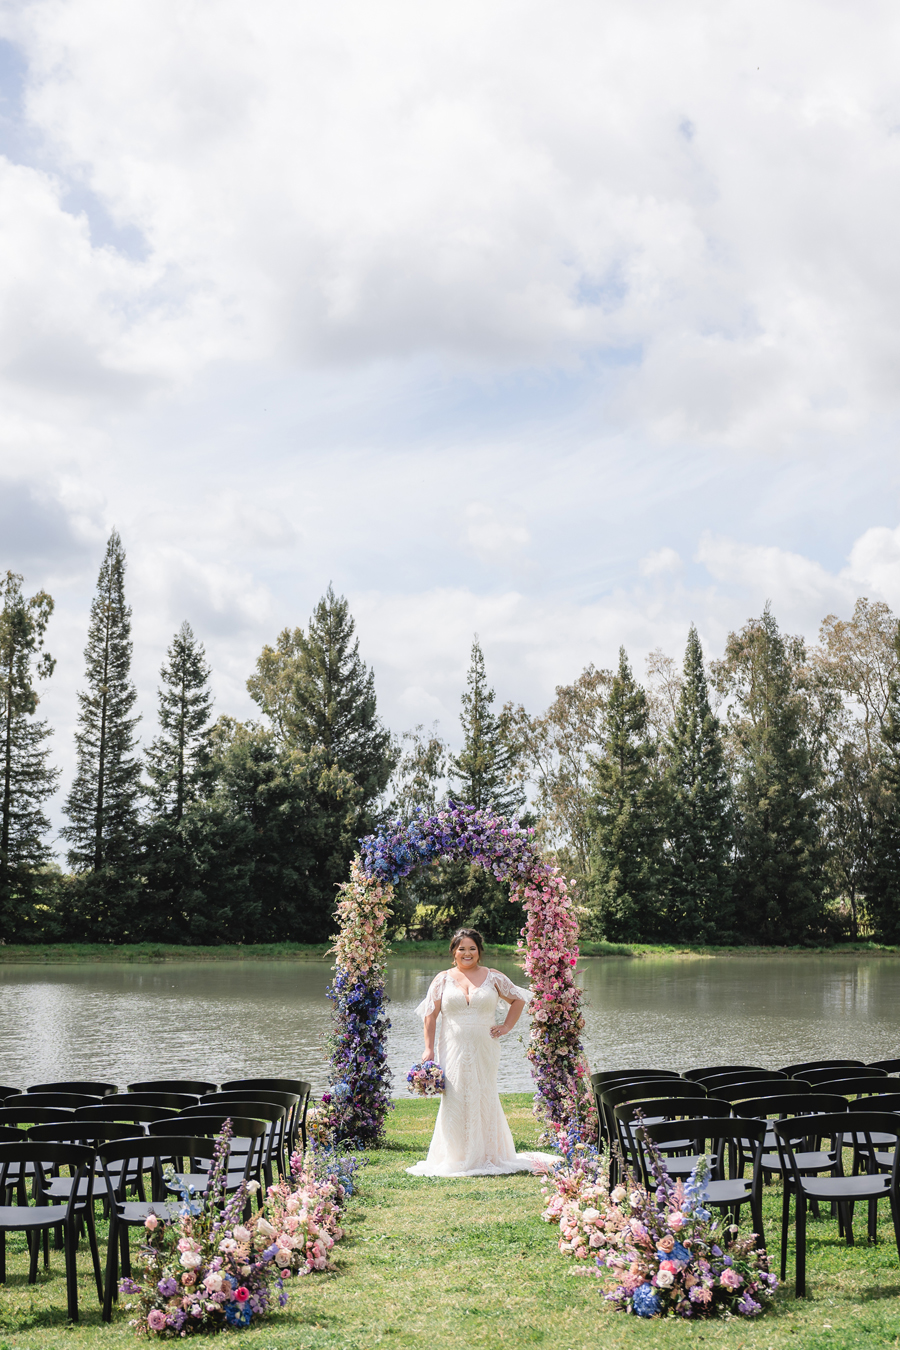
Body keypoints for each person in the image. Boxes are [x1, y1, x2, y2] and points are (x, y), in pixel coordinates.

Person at [406, 927, 557, 1177]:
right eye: (461, 949)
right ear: (453, 952)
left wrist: (506, 1026)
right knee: (455, 1095)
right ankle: (456, 1155)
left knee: (483, 1093)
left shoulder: (493, 977)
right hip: (451, 1046)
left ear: (479, 951)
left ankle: (487, 1153)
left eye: (472, 948)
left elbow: (518, 999)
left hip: (485, 1047)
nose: (467, 953)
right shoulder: (442, 979)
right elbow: (430, 1016)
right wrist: (428, 1048)